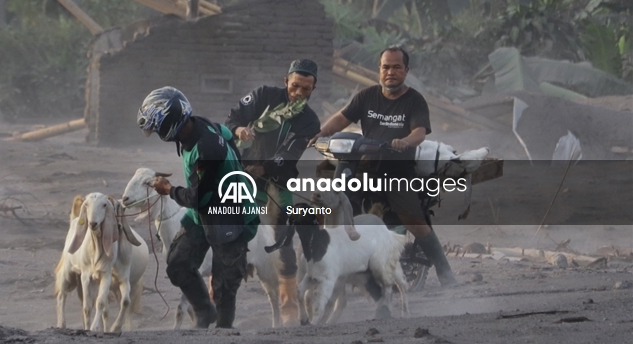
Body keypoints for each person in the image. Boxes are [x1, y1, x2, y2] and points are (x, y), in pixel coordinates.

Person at [308, 46, 458, 288]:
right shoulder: (367, 96)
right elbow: (342, 118)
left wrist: (405, 141)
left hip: (398, 171)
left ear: (406, 70)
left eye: (397, 67)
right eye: (386, 67)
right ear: (379, 69)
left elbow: (419, 132)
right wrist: (321, 132)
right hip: (364, 168)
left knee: (414, 222)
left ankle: (445, 273)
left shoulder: (414, 100)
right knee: (334, 206)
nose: (390, 72)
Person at [138, 87, 259, 328]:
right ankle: (205, 312)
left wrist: (169, 190)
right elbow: (228, 134)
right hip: (203, 214)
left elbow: (198, 197)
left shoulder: (207, 148)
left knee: (224, 285)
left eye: (157, 127)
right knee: (178, 264)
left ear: (169, 123)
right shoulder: (203, 126)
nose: (157, 133)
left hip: (230, 216)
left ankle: (224, 331)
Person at [225, 59, 321, 324]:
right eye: (295, 86)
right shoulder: (262, 96)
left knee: (282, 238)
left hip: (278, 182)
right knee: (227, 232)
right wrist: (239, 130)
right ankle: (217, 299)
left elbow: (290, 154)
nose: (299, 93)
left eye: (306, 89)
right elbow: (232, 118)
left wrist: (264, 168)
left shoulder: (310, 121)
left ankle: (289, 305)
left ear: (313, 89)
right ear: (285, 81)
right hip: (243, 176)